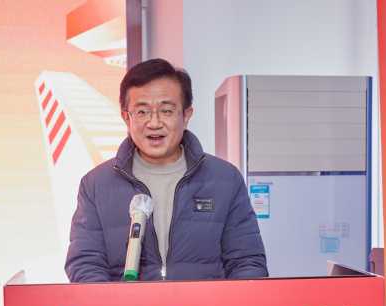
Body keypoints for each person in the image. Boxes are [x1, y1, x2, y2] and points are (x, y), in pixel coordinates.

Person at [65, 58, 267, 282]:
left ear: (186, 115)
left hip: (207, 305)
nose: (154, 123)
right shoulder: (96, 185)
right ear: (126, 117)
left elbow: (247, 262)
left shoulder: (225, 180)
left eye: (166, 111)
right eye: (142, 112)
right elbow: (85, 264)